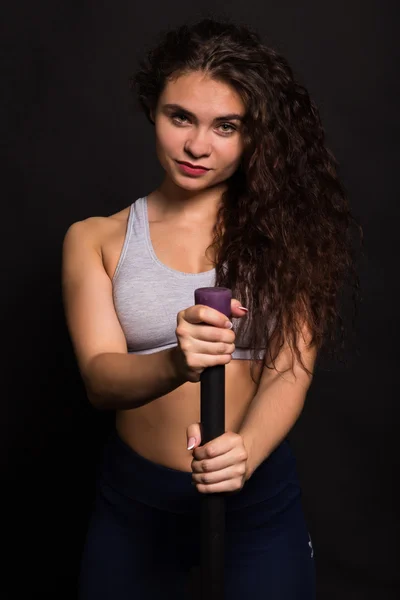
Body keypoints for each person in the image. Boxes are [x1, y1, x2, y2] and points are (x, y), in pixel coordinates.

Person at [62, 17, 361, 600]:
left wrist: (244, 454)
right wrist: (178, 361)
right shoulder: (96, 239)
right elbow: (100, 378)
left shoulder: (289, 236)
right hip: (136, 505)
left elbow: (289, 371)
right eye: (181, 118)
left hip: (255, 499)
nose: (198, 145)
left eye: (226, 126)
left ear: (254, 136)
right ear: (153, 110)